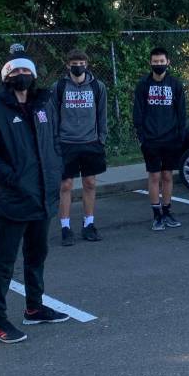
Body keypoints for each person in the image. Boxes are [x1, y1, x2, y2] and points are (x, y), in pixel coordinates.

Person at [0, 51, 69, 344]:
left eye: (25, 72)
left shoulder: (45, 104)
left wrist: (55, 169)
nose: (21, 77)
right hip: (13, 202)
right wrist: (14, 180)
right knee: (3, 264)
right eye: (14, 74)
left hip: (43, 199)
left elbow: (53, 140)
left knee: (36, 256)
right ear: (6, 79)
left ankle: (34, 307)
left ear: (34, 76)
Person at [53, 49, 108, 246]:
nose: (78, 66)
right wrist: (55, 142)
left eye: (81, 63)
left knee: (90, 183)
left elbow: (102, 115)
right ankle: (66, 228)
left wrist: (101, 138)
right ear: (68, 65)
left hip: (90, 143)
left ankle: (89, 224)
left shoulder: (97, 86)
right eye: (74, 63)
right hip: (66, 143)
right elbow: (53, 117)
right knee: (66, 185)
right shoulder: (59, 87)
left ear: (87, 64)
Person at [132, 47, 187, 231]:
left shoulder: (175, 84)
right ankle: (157, 215)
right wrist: (142, 137)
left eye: (161, 62)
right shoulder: (143, 85)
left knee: (167, 176)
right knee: (154, 176)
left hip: (171, 138)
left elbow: (181, 113)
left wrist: (180, 135)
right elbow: (138, 113)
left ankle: (167, 211)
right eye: (155, 62)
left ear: (168, 62)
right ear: (150, 63)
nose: (158, 65)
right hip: (151, 139)